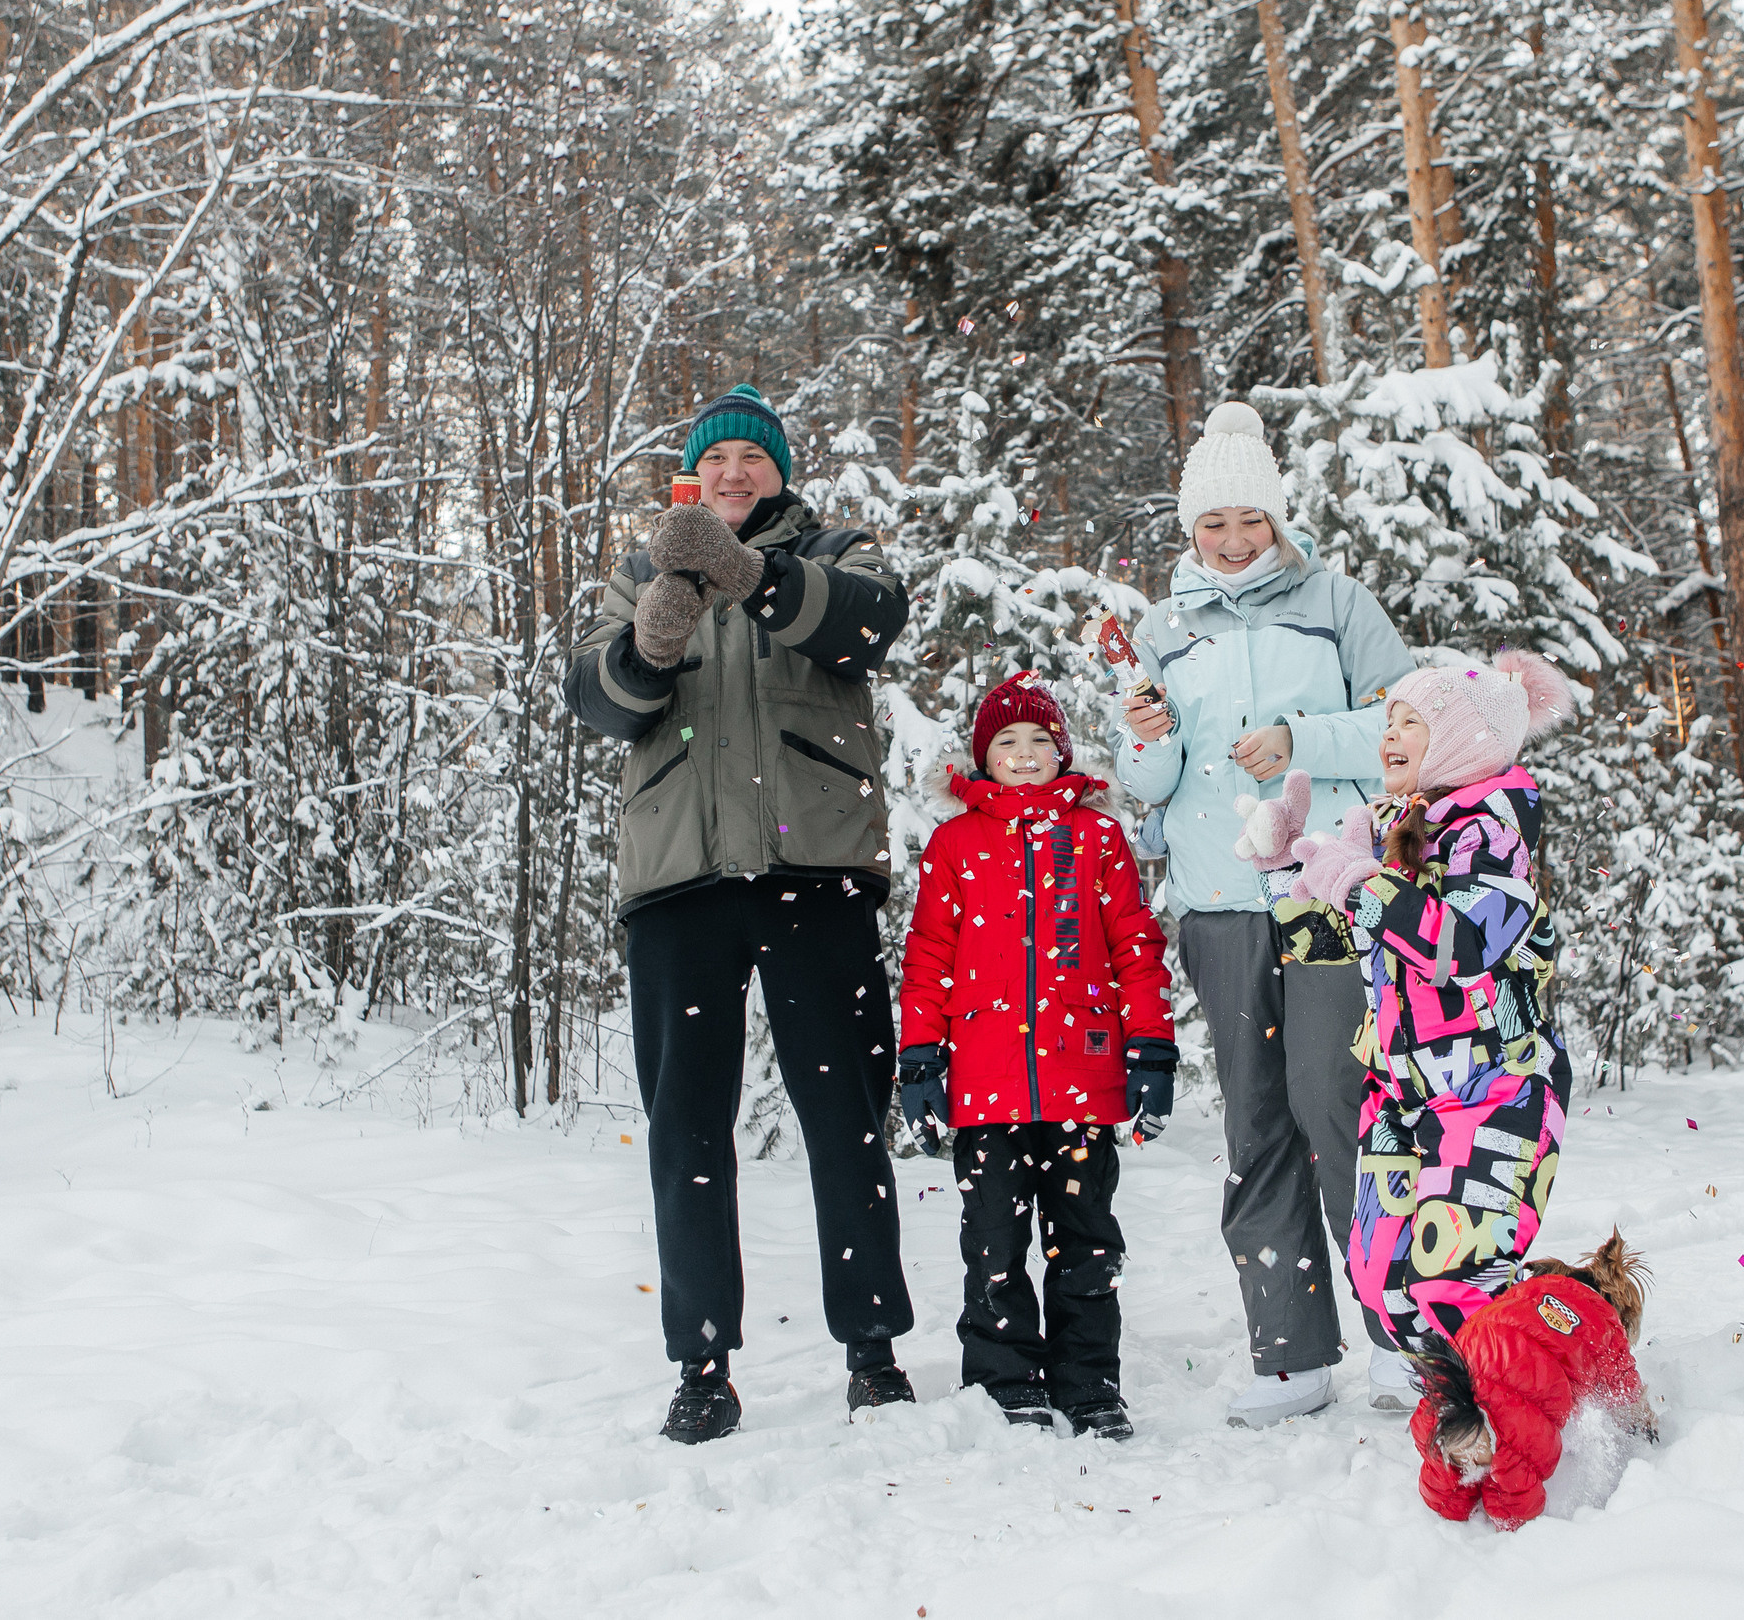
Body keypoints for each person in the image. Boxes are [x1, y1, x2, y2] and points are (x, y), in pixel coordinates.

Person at [562, 384, 917, 1445]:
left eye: (751, 461)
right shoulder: (637, 574)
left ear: (779, 473)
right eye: (715, 461)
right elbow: (596, 703)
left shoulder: (838, 551)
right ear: (692, 473)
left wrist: (750, 577)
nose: (732, 475)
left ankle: (872, 1351)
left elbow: (868, 630)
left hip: (817, 872)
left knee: (847, 1120)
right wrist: (656, 634)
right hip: (680, 887)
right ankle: (701, 1365)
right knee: (686, 1133)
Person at [1117, 400, 1415, 1428]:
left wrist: (1299, 742)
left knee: (1340, 1105)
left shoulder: (1337, 602)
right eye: (1212, 525)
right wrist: (1144, 735)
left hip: (1322, 890)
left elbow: (1400, 728)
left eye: (1249, 520)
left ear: (1278, 519)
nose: (1233, 541)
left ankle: (1394, 1337)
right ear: (1188, 530)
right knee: (1255, 1121)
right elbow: (1146, 782)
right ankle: (1287, 1351)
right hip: (1217, 903)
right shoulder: (1163, 628)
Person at [1260, 652, 1578, 1359]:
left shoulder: (1494, 830)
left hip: (1494, 1088)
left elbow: (1460, 943)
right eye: (1389, 721)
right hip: (1403, 1096)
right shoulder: (1392, 824)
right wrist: (1289, 871)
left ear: (1465, 740)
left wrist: (1361, 884)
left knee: (1455, 1282)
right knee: (1384, 1286)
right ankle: (1470, 1411)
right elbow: (1330, 945)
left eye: (1413, 722)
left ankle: (1526, 1410)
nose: (1390, 736)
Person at [896, 672, 1178, 1440]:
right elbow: (928, 958)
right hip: (986, 1084)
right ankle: (1003, 1376)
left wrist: (1151, 1046)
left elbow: (1135, 949)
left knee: (1086, 1238)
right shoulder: (956, 843)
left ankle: (1089, 1382)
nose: (1024, 756)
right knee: (992, 1239)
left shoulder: (1093, 838)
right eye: (1006, 743)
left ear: (1064, 751)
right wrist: (920, 1059)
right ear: (984, 757)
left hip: (1081, 1077)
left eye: (1039, 742)